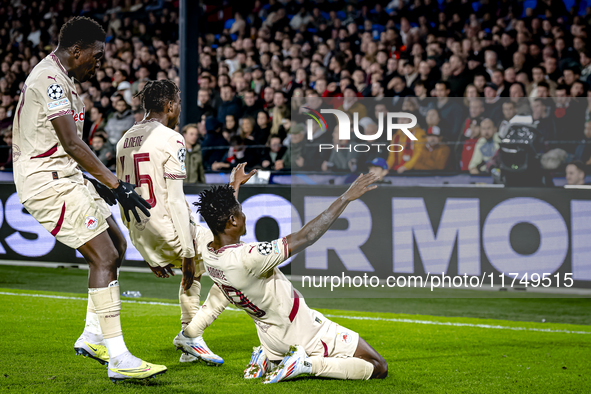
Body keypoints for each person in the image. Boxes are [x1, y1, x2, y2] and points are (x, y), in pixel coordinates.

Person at [12, 17, 160, 383]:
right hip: (46, 181)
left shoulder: (65, 80)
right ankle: (120, 358)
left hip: (65, 175)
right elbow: (72, 143)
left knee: (117, 245)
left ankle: (93, 336)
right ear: (75, 51)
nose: (99, 62)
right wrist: (115, 185)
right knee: (104, 257)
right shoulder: (50, 81)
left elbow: (71, 148)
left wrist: (106, 183)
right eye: (96, 56)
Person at [175, 171, 387, 383]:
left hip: (270, 336)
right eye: (240, 212)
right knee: (377, 365)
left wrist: (234, 185)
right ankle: (307, 364)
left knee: (220, 292)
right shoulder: (250, 257)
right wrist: (345, 198)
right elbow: (306, 236)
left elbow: (225, 220)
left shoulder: (208, 251)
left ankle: (266, 357)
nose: (244, 215)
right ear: (232, 220)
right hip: (301, 330)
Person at [116, 79, 224, 365]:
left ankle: (190, 341)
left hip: (143, 231)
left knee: (196, 275)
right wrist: (187, 251)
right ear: (170, 105)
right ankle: (193, 333)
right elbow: (175, 199)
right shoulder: (171, 138)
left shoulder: (124, 139)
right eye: (177, 104)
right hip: (171, 226)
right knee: (237, 264)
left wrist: (145, 250)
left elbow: (122, 197)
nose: (178, 110)